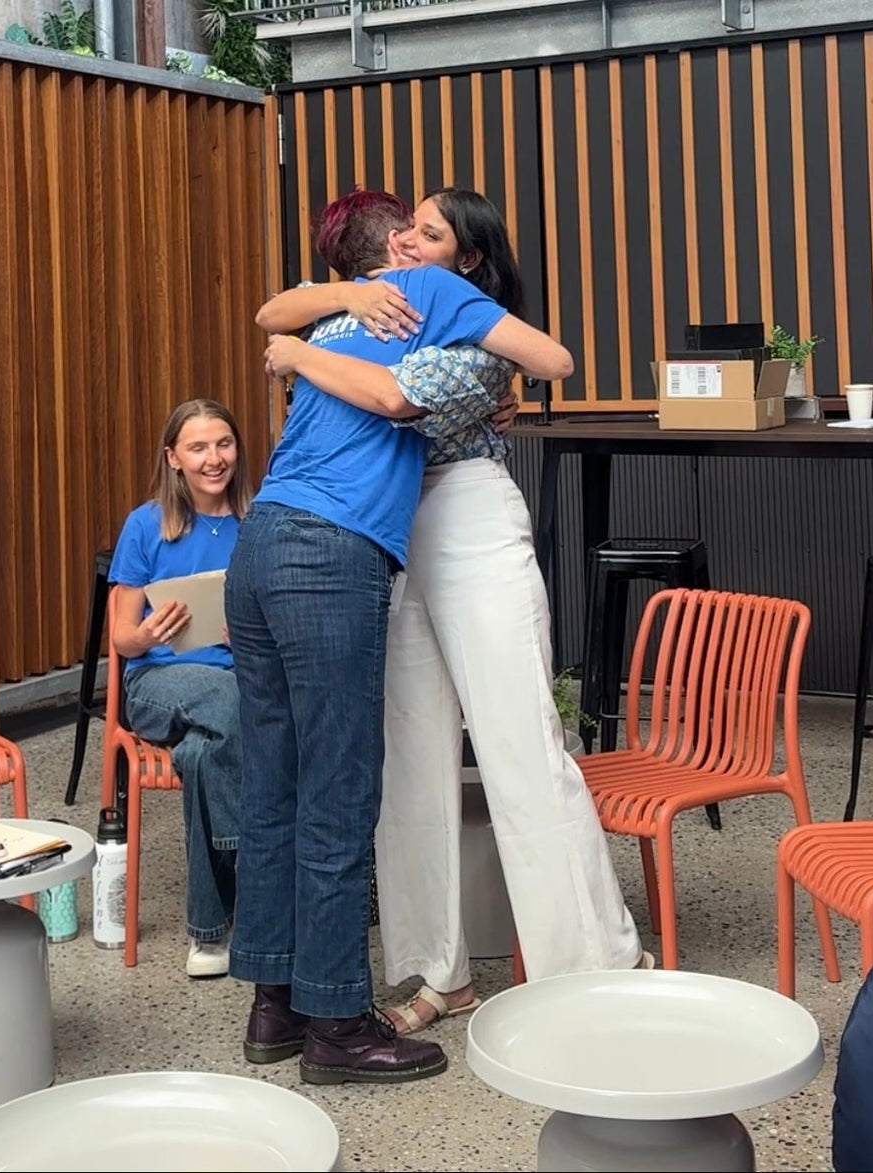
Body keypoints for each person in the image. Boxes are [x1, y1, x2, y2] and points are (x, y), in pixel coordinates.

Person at [259, 186, 646, 1037]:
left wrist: (300, 356)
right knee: (409, 759)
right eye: (404, 229)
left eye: (426, 233)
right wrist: (332, 312)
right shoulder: (373, 309)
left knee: (520, 742)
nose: (405, 240)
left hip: (471, 521)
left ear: (464, 260)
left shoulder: (472, 337)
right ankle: (439, 972)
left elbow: (394, 397)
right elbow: (282, 318)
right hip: (388, 526)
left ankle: (593, 966)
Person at [109, 399, 251, 979]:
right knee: (230, 704)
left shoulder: (258, 521)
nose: (214, 459)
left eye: (223, 444)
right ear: (173, 458)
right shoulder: (146, 525)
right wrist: (146, 634)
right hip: (157, 684)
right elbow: (122, 639)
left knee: (202, 754)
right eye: (198, 448)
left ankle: (209, 936)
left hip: (237, 680)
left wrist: (251, 628)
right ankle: (254, 869)